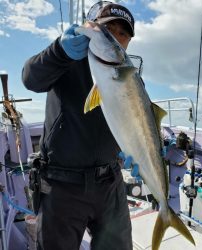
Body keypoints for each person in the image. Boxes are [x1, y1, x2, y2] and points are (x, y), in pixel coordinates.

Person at [22, 1, 135, 250]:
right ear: (91, 27)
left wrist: (140, 151)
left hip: (110, 184)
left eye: (123, 33)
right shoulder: (64, 58)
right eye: (108, 30)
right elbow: (31, 78)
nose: (116, 38)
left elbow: (137, 120)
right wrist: (59, 52)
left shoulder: (129, 75)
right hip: (62, 186)